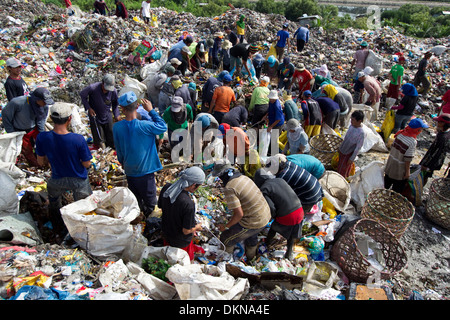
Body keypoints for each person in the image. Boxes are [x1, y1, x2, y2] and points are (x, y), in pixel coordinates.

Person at [35, 103, 92, 243]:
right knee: (85, 206)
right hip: (78, 179)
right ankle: (83, 232)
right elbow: (87, 164)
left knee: (54, 202)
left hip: (57, 179)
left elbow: (40, 162)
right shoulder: (78, 139)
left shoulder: (42, 137)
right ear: (69, 119)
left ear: (51, 119)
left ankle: (58, 228)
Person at [113, 92, 167, 217]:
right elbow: (163, 126)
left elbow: (119, 150)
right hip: (146, 172)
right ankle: (150, 223)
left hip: (130, 171)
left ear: (122, 109)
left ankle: (139, 219)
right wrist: (151, 111)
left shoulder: (117, 127)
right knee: (151, 204)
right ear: (137, 106)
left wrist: (124, 163)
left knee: (136, 201)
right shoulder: (146, 126)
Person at [212, 162, 271, 261]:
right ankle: (251, 259)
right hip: (265, 215)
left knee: (226, 239)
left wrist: (226, 226)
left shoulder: (230, 187)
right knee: (251, 235)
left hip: (254, 221)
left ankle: (225, 263)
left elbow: (239, 214)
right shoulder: (244, 177)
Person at [254, 168, 304, 260]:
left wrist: (270, 217)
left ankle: (267, 242)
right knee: (292, 233)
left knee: (274, 227)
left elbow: (272, 208)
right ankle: (289, 253)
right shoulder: (280, 180)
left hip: (288, 215)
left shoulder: (264, 188)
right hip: (300, 210)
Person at [159, 166, 206, 261]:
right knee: (182, 263)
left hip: (166, 233)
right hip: (180, 242)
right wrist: (197, 227)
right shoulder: (188, 203)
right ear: (193, 185)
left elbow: (160, 206)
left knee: (167, 259)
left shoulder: (166, 188)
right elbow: (186, 231)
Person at [2, 87, 54, 166]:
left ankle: (46, 163)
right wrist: (12, 133)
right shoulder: (18, 103)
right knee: (27, 151)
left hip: (35, 127)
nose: (45, 103)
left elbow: (41, 120)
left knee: (45, 145)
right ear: (37, 99)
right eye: (43, 101)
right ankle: (36, 166)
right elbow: (6, 116)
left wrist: (42, 134)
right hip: (20, 130)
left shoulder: (44, 106)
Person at [384, 118, 428, 194]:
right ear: (417, 130)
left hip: (390, 165)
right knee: (396, 191)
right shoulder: (412, 141)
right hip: (399, 169)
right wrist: (407, 172)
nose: (421, 131)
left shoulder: (400, 133)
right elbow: (407, 159)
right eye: (421, 129)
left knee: (385, 186)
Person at [80, 74, 119, 150]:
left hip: (107, 113)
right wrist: (89, 108)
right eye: (105, 88)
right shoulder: (93, 88)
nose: (106, 90)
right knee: (99, 136)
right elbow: (82, 95)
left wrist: (116, 114)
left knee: (110, 133)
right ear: (102, 83)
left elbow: (115, 104)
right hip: (95, 114)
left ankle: (111, 146)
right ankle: (101, 146)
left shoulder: (113, 91)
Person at [419, 113, 450, 186]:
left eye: (439, 122)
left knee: (424, 175)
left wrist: (426, 165)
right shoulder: (445, 132)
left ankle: (418, 190)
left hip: (432, 161)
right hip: (434, 158)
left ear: (444, 123)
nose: (437, 123)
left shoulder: (443, 138)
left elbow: (436, 153)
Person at [336, 110, 365, 179]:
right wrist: (340, 147)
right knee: (340, 165)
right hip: (343, 149)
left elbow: (358, 148)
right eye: (351, 119)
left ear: (359, 121)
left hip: (348, 153)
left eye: (353, 120)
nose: (351, 121)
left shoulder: (361, 133)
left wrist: (351, 158)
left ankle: (342, 180)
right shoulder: (351, 126)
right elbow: (346, 138)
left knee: (344, 169)